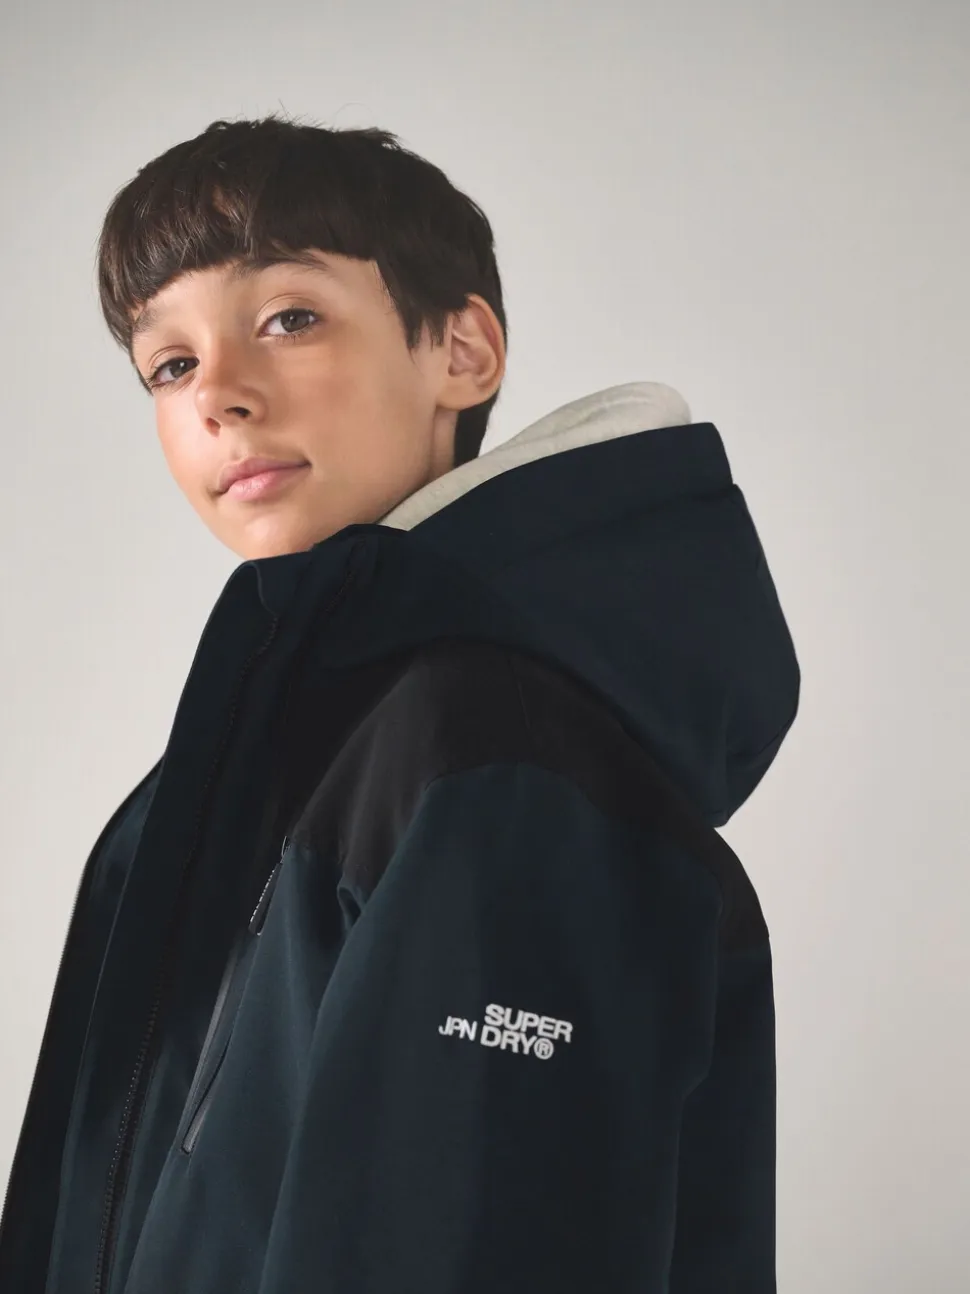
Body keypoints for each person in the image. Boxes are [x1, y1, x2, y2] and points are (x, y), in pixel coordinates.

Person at [0, 112, 799, 1293]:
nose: (219, 393)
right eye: (169, 364)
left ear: (461, 352)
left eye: (289, 317)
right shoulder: (253, 766)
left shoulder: (499, 756)